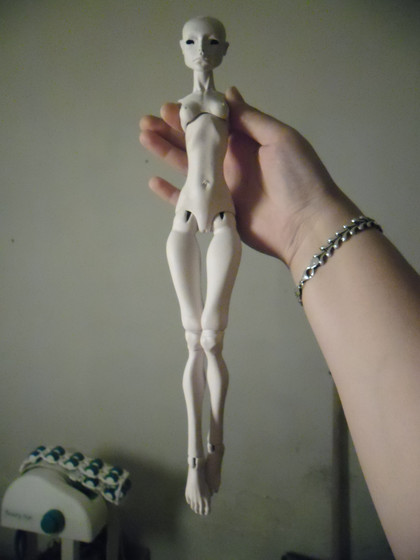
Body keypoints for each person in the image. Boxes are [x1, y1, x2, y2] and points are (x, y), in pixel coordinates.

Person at [140, 86, 420, 558]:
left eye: (209, 47)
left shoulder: (221, 104)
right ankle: (194, 460)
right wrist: (309, 222)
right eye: (191, 47)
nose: (200, 52)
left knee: (211, 340)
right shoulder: (193, 101)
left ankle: (216, 450)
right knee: (193, 342)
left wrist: (310, 216)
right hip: (185, 218)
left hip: (226, 215)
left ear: (222, 50)